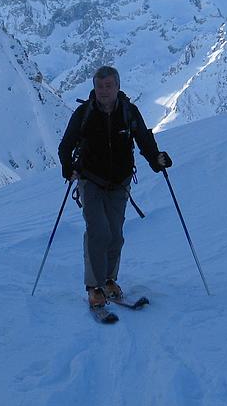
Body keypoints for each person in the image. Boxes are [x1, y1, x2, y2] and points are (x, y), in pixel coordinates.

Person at [58, 66, 172, 309]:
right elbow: (65, 146)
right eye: (100, 87)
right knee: (98, 231)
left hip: (120, 183)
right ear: (95, 88)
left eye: (109, 86)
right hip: (91, 181)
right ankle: (94, 286)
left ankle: (109, 280)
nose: (104, 91)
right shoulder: (84, 113)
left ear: (118, 87)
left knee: (115, 235)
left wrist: (157, 159)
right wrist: (69, 169)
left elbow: (145, 140)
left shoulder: (129, 112)